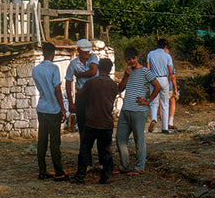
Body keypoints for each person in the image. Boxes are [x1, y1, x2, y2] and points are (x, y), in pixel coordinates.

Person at [71, 57, 119, 185]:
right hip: (106, 122)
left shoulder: (91, 83)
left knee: (85, 149)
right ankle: (106, 177)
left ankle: (80, 176)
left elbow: (80, 94)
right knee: (107, 151)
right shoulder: (114, 85)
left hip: (91, 121)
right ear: (110, 69)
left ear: (98, 68)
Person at [115, 46, 160, 175]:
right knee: (120, 138)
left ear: (138, 58)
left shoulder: (145, 71)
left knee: (139, 140)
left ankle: (139, 167)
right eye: (128, 59)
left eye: (133, 58)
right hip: (125, 110)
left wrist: (148, 100)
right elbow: (120, 88)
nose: (131, 61)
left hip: (138, 110)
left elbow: (157, 86)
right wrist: (126, 76)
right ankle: (124, 165)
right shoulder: (127, 72)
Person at [32, 42, 68, 181]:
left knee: (42, 141)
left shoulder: (35, 70)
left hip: (42, 107)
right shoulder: (54, 68)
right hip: (53, 108)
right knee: (54, 142)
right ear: (53, 54)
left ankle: (42, 170)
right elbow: (57, 90)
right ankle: (59, 171)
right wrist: (63, 108)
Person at [65, 38, 99, 166]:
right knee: (83, 129)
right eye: (84, 51)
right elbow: (68, 82)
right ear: (78, 50)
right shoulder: (73, 64)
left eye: (88, 51)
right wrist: (70, 102)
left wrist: (79, 75)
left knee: (97, 127)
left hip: (94, 97)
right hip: (82, 97)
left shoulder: (93, 57)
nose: (86, 53)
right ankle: (86, 159)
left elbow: (93, 71)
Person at [146, 38, 174, 133]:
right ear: (165, 46)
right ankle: (165, 127)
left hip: (154, 78)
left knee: (154, 102)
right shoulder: (167, 56)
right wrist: (168, 81)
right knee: (165, 104)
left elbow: (148, 69)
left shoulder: (150, 54)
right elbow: (170, 71)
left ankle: (154, 118)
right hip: (164, 78)